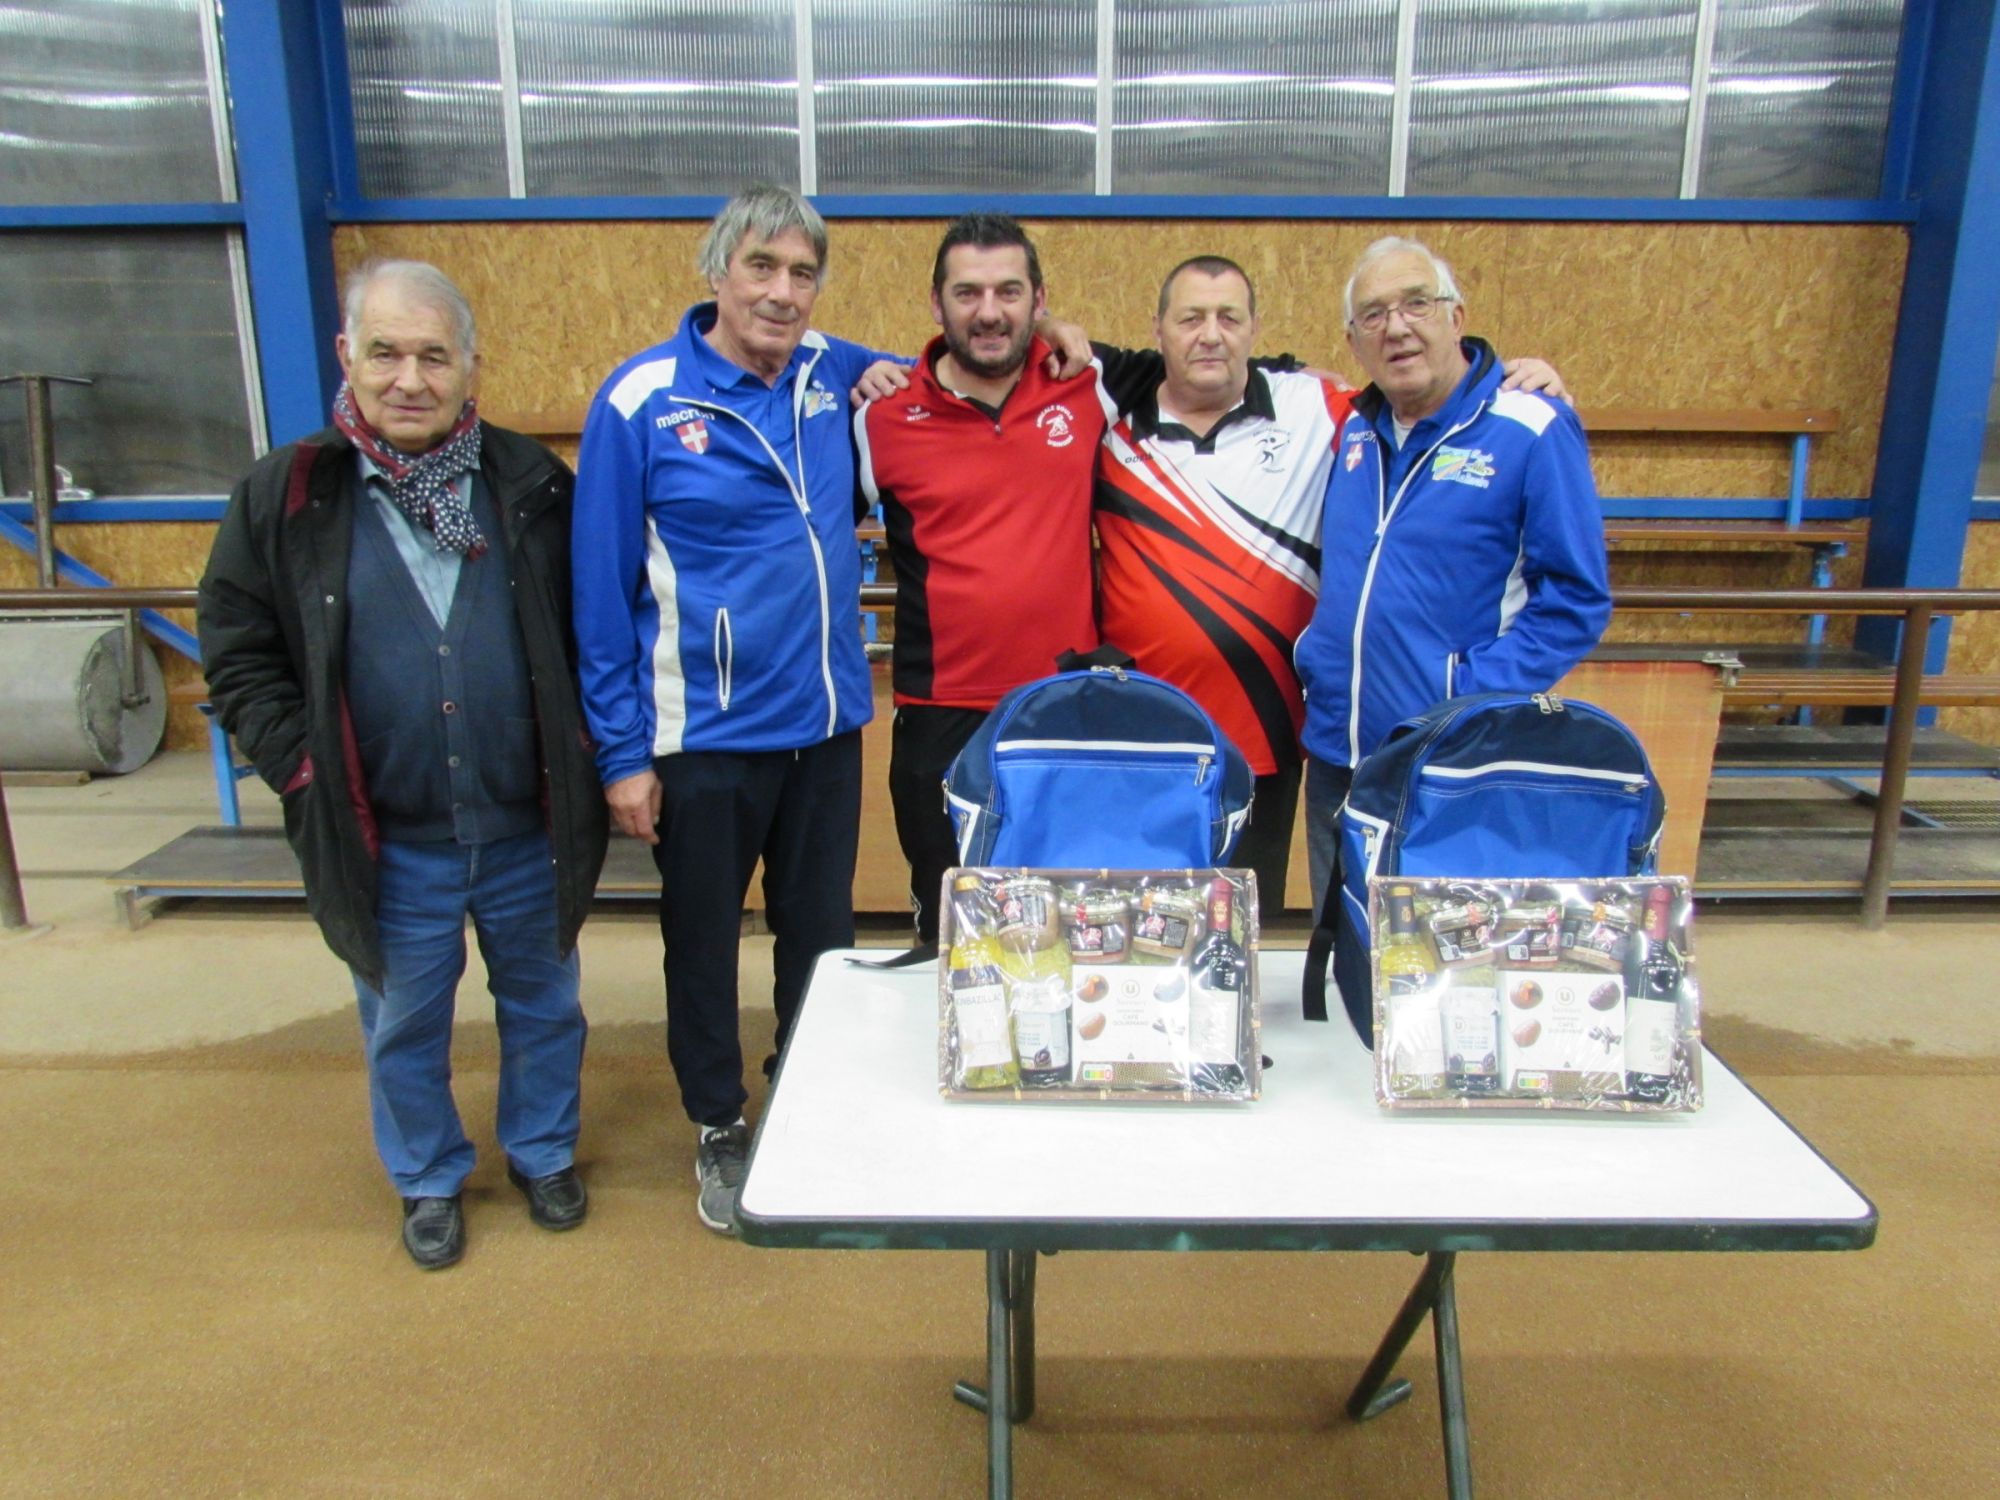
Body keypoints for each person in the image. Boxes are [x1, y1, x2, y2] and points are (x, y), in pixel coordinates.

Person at [197, 259, 608, 1270]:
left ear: (471, 366)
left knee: (546, 1005)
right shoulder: (287, 494)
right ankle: (427, 1176)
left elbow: (597, 629)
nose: (409, 380)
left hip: (524, 827)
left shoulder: (534, 487)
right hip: (388, 838)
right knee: (403, 1022)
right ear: (347, 356)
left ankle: (543, 1151)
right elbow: (238, 650)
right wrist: (302, 769)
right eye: (385, 353)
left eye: (434, 356)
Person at [571, 186, 906, 1236]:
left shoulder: (827, 371)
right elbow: (598, 595)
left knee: (821, 934)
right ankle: (718, 1119)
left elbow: (933, 365)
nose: (781, 292)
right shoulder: (641, 402)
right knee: (704, 941)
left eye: (803, 273)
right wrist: (621, 756)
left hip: (824, 729)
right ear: (715, 272)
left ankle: (806, 1085)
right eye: (761, 266)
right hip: (702, 739)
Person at [1094, 255, 1568, 913]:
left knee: (1241, 930)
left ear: (1254, 328)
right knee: (1139, 926)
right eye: (1190, 318)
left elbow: (1434, 395)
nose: (1210, 335)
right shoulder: (1106, 426)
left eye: (1229, 317)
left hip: (1267, 737)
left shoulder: (1322, 409)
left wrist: (1518, 377)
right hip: (1140, 741)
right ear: (1158, 329)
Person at [1294, 236, 1611, 909]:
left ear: (1456, 316)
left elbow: (1575, 600)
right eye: (1373, 315)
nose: (1396, 327)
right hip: (1337, 754)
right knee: (1346, 935)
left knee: (1436, 944)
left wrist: (1467, 698)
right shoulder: (1352, 430)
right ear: (1354, 343)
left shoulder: (1532, 425)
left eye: (1417, 304)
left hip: (1449, 759)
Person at [854, 213, 1114, 953]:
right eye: (967, 293)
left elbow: (1206, 364)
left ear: (1040, 300)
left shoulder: (1090, 388)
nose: (989, 312)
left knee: (1071, 927)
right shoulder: (878, 416)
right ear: (936, 304)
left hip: (1065, 711)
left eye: (1009, 291)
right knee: (954, 936)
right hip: (941, 719)